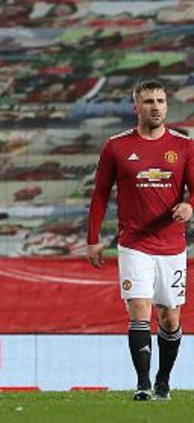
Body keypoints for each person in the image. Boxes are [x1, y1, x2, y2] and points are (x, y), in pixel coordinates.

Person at [87, 79, 194, 401]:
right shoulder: (116, 146)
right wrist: (93, 239)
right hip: (134, 243)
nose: (156, 107)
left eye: (160, 101)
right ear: (136, 107)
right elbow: (100, 194)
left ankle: (163, 380)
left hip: (172, 245)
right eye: (148, 101)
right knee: (138, 309)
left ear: (167, 105)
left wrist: (190, 205)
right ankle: (143, 385)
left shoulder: (184, 146)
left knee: (170, 316)